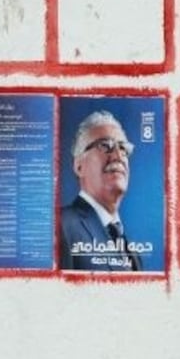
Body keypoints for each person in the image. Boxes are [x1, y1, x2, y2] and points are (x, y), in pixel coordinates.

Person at [59, 110, 142, 271]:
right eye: (105, 146)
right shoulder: (60, 225)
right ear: (79, 166)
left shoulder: (133, 253)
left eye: (123, 148)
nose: (118, 155)